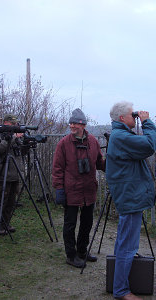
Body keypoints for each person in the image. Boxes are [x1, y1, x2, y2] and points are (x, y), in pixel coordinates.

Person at [106, 101, 156, 300]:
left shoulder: (121, 135)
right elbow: (149, 146)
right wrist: (147, 123)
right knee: (127, 245)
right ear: (122, 118)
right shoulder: (121, 136)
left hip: (129, 195)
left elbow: (143, 146)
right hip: (130, 196)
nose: (134, 117)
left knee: (123, 243)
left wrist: (149, 130)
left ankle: (120, 284)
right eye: (132, 115)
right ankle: (121, 290)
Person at [52, 108, 106, 268]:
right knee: (70, 224)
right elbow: (57, 168)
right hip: (71, 190)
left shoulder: (93, 142)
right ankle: (71, 255)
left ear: (83, 125)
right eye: (71, 123)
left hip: (88, 190)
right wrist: (59, 189)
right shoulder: (63, 144)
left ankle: (82, 251)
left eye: (75, 123)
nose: (72, 126)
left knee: (87, 223)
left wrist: (112, 162)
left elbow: (99, 162)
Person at [0, 114, 23, 235]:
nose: (14, 126)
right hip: (3, 173)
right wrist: (12, 137)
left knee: (11, 201)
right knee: (2, 200)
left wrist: (20, 139)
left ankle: (6, 223)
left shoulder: (15, 136)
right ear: (6, 123)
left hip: (14, 173)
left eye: (15, 124)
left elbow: (21, 153)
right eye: (12, 124)